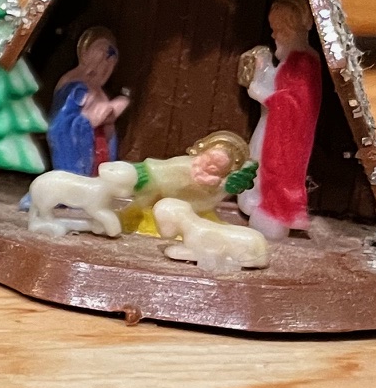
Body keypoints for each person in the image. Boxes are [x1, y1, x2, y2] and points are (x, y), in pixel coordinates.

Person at [237, 0, 322, 239]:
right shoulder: (290, 60)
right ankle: (256, 199)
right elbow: (280, 86)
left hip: (285, 136)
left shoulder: (304, 62)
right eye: (273, 30)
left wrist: (262, 94)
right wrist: (261, 70)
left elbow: (297, 103)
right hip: (272, 126)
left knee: (274, 169)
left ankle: (273, 214)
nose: (274, 36)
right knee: (257, 160)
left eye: (280, 31)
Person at [119, 129, 255, 235]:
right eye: (209, 160)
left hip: (188, 204)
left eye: (218, 166)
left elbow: (205, 199)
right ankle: (135, 218)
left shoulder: (216, 183)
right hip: (157, 184)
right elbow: (164, 170)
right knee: (146, 201)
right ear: (203, 153)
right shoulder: (185, 166)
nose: (211, 166)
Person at [46, 26, 130, 175]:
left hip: (98, 151)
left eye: (109, 65)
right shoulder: (74, 89)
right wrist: (90, 120)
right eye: (100, 62)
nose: (104, 68)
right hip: (77, 161)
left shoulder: (99, 92)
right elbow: (60, 125)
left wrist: (108, 120)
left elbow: (105, 125)